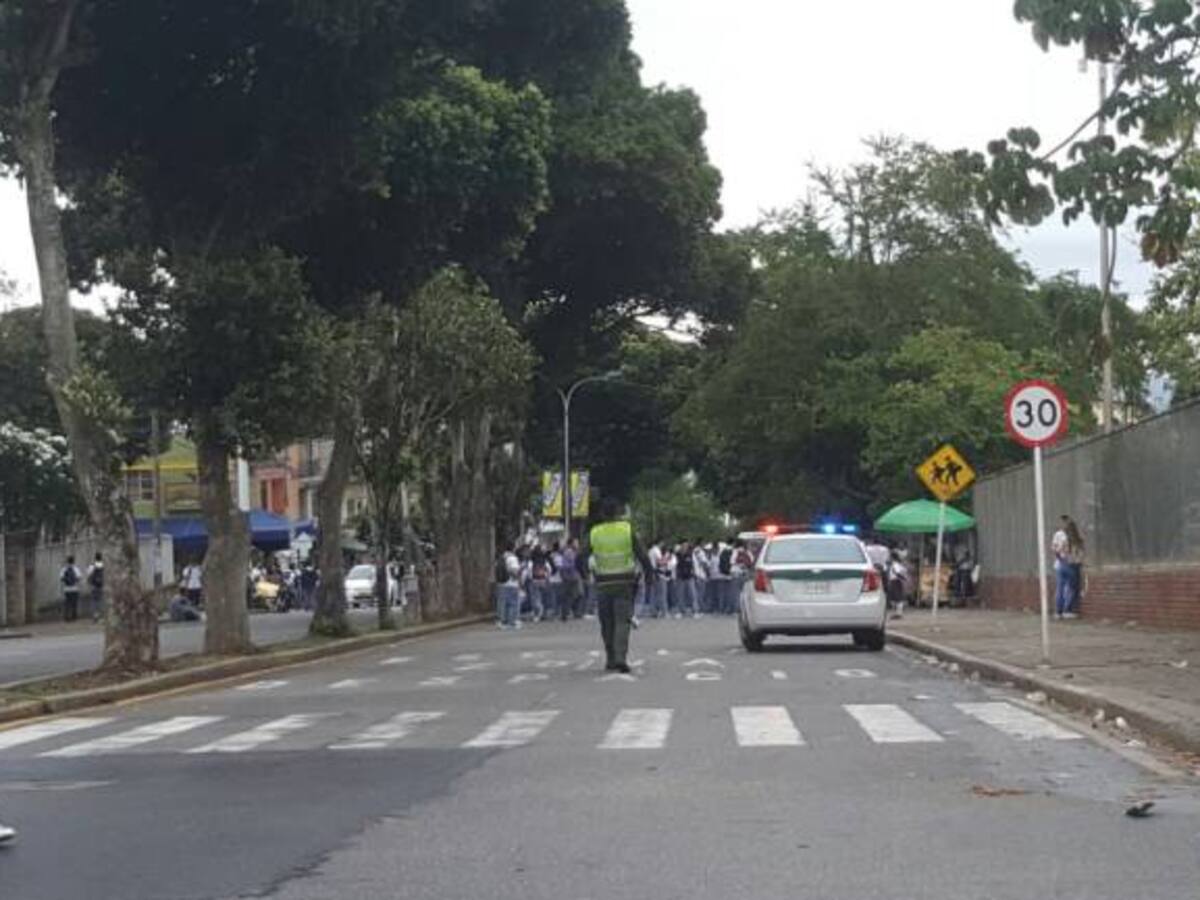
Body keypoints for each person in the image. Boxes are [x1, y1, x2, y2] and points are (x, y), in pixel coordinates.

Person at [586, 497, 652, 673]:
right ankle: (620, 658)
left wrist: (588, 574)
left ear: (602, 514)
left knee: (606, 623)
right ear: (618, 512)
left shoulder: (595, 532)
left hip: (602, 584)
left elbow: (580, 557)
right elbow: (643, 555)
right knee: (622, 622)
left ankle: (610, 659)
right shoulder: (626, 530)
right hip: (624, 582)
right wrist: (650, 574)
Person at [1051, 515, 1073, 619]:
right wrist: (1060, 558)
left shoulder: (1069, 534)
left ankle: (1063, 611)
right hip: (1063, 562)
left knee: (1066, 587)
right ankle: (1061, 611)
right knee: (1063, 587)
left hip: (1067, 562)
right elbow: (1054, 548)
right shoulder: (1060, 534)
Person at [1064, 516, 1085, 619]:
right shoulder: (1076, 541)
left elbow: (1067, 553)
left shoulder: (1070, 541)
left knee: (1072, 587)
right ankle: (1071, 609)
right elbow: (1080, 553)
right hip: (1075, 564)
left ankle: (1070, 609)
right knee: (1074, 587)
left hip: (1072, 564)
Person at [560, 538, 583, 620]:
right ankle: (568, 612)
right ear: (571, 544)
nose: (577, 544)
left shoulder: (571, 552)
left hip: (573, 575)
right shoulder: (569, 552)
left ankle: (570, 612)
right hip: (571, 576)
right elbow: (571, 564)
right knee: (573, 594)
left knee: (576, 594)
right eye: (576, 543)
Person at [60, 555, 82, 622]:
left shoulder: (64, 569)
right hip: (74, 588)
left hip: (66, 589)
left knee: (67, 603)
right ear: (73, 561)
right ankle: (74, 617)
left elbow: (61, 578)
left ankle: (66, 617)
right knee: (74, 603)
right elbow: (79, 578)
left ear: (67, 561)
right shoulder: (76, 568)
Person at [86, 552, 105, 623]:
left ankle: (95, 616)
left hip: (94, 586)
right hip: (101, 585)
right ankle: (101, 616)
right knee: (100, 601)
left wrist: (89, 582)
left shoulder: (92, 566)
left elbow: (88, 575)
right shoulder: (104, 565)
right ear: (101, 558)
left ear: (95, 558)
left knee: (94, 601)